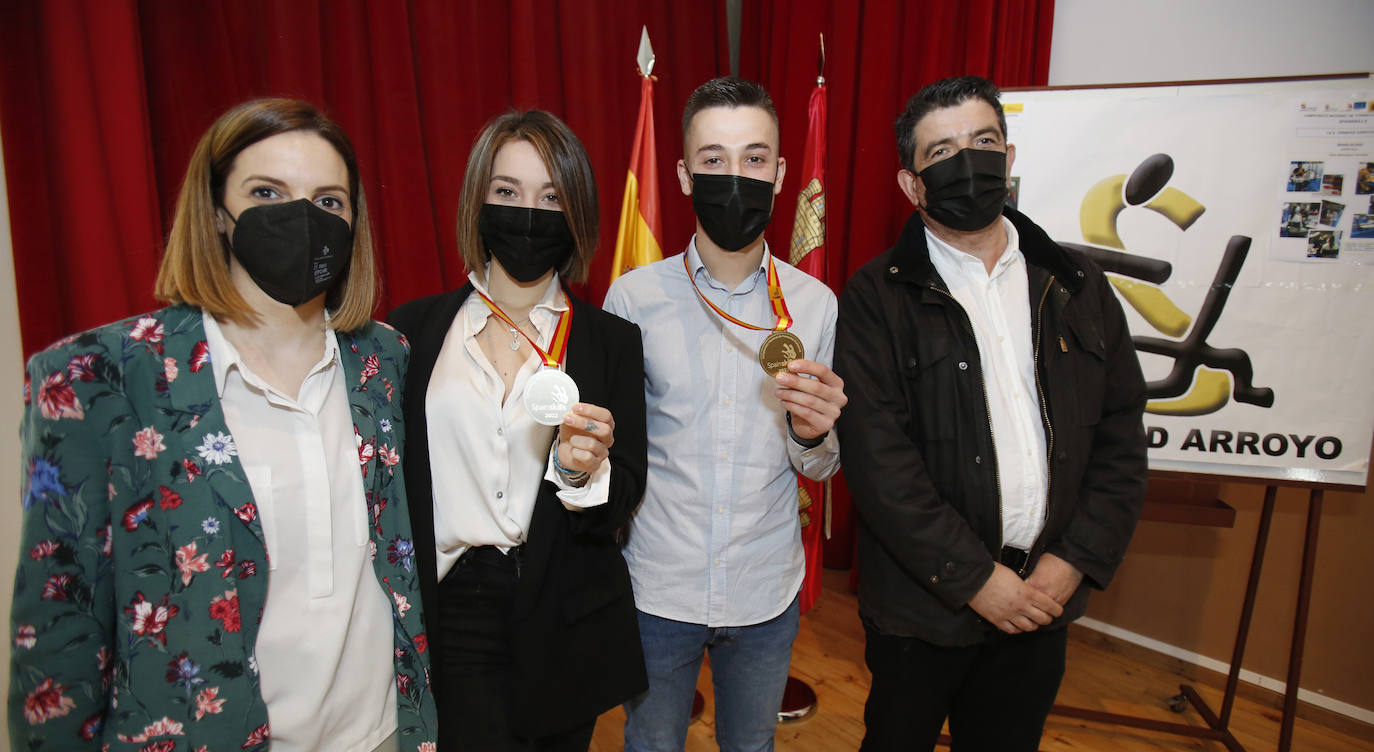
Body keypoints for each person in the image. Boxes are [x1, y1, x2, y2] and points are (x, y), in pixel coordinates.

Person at [9, 99, 435, 751]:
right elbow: (60, 631)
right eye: (267, 192)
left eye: (328, 202)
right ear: (216, 212)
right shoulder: (102, 378)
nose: (301, 218)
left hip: (377, 735)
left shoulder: (381, 361)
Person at [834, 75, 1149, 752]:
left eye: (983, 142)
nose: (967, 162)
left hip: (1043, 600)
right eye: (941, 152)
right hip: (923, 608)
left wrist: (1072, 562)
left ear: (1009, 159)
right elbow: (879, 462)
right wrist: (977, 580)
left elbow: (1122, 438)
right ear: (911, 185)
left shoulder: (1077, 284)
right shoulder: (873, 299)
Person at [387, 110, 648, 751]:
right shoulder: (410, 332)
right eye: (507, 192)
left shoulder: (612, 341)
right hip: (445, 610)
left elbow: (625, 495)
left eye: (551, 196)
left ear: (577, 212)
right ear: (478, 200)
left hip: (560, 613)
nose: (528, 213)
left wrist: (582, 471)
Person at [604, 76, 847, 752]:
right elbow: (617, 456)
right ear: (683, 175)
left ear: (780, 174)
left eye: (754, 158)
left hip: (763, 588)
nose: (734, 176)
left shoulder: (816, 305)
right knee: (650, 744)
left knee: (751, 748)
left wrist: (813, 430)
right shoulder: (632, 298)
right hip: (659, 586)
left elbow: (820, 466)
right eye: (713, 160)